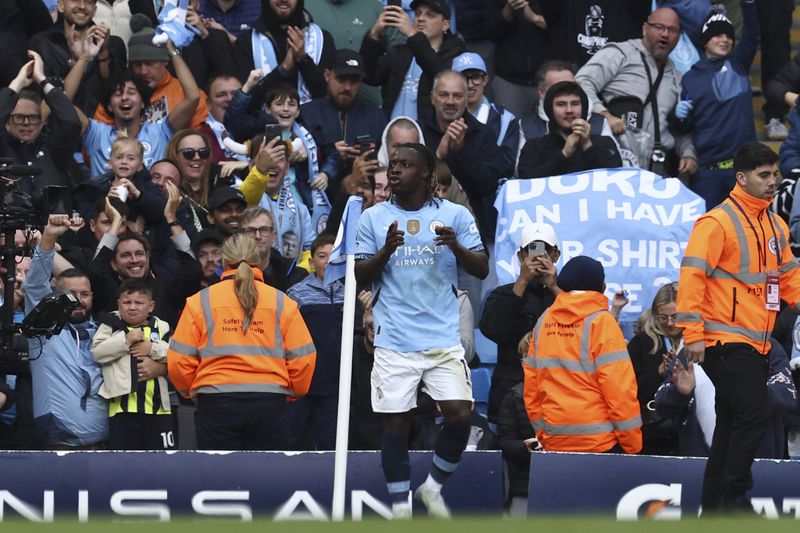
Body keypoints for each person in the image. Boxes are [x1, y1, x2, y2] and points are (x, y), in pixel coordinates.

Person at [355, 142, 488, 518]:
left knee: (460, 415)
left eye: (405, 164)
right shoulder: (374, 218)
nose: (394, 170)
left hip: (442, 337)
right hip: (395, 340)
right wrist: (386, 250)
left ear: (426, 174)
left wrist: (455, 245)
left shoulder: (454, 215)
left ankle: (431, 489)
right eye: (392, 163)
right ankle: (400, 508)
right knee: (397, 423)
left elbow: (480, 268)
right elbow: (359, 274)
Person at [676, 142, 800, 512]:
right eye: (764, 175)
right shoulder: (717, 223)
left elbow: (789, 276)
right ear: (741, 178)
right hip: (721, 340)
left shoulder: (775, 224)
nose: (772, 181)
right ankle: (735, 497)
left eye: (775, 174)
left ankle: (713, 508)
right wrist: (692, 335)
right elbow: (692, 277)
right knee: (755, 411)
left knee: (732, 421)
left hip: (754, 343)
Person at [167, 232, 317, 450]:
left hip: (215, 402)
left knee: (220, 481)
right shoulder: (282, 302)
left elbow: (179, 360)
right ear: (258, 260)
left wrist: (194, 392)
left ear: (223, 261)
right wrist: (289, 393)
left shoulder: (200, 301)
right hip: (269, 404)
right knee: (264, 481)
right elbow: (304, 359)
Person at [523, 255, 642, 454]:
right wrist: (632, 445)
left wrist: (543, 433)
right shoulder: (602, 322)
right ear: (602, 288)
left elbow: (532, 387)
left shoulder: (544, 320)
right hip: (601, 444)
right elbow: (619, 390)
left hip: (554, 441)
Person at [576, 7, 697, 177]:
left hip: (660, 167)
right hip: (618, 159)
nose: (665, 34)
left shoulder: (677, 78)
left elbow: (678, 128)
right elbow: (580, 83)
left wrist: (688, 153)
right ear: (645, 28)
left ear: (678, 37)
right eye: (658, 27)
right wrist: (605, 115)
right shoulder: (620, 53)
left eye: (672, 30)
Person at [25, 214, 109, 449]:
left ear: (92, 296)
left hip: (108, 444)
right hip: (62, 442)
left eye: (84, 294)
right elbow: (35, 285)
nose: (78, 301)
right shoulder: (44, 330)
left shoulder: (104, 332)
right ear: (56, 295)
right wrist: (49, 237)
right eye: (71, 295)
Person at [670, 3, 759, 211]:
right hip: (706, 173)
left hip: (742, 170)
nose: (725, 40)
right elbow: (685, 129)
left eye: (728, 36)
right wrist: (680, 118)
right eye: (718, 35)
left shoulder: (739, 64)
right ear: (705, 41)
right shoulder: (690, 78)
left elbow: (753, 33)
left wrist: (749, 5)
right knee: (710, 236)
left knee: (746, 235)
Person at [73, 37, 200, 175]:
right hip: (104, 196)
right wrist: (84, 58)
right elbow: (62, 102)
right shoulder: (96, 134)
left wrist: (172, 52)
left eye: (131, 92)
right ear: (109, 106)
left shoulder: (160, 133)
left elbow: (193, 96)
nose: (125, 97)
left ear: (143, 103)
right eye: (117, 94)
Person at [655, 340, 796, 460]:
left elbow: (787, 395)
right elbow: (661, 404)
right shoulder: (693, 349)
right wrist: (679, 393)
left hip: (757, 465)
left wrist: (756, 392)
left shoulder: (767, 346)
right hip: (698, 467)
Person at [479, 222, 558, 424]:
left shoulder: (567, 295)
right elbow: (494, 331)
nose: (538, 256)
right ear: (521, 256)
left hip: (556, 390)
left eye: (545, 250)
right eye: (531, 250)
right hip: (510, 393)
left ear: (555, 255)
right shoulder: (502, 294)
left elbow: (581, 326)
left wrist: (554, 287)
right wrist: (522, 282)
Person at [420, 69, 512, 242]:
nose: (450, 101)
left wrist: (461, 150)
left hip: (470, 230)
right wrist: (439, 155)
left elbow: (487, 186)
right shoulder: (419, 130)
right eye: (444, 95)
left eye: (457, 96)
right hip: (421, 228)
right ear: (432, 98)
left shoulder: (482, 133)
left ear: (466, 99)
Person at [91, 278, 175, 450]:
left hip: (159, 409)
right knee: (125, 463)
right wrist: (125, 340)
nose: (132, 307)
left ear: (150, 306)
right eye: (127, 302)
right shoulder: (111, 324)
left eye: (139, 302)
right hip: (121, 410)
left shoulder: (162, 327)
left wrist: (152, 348)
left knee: (161, 462)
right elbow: (97, 353)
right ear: (119, 304)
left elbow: (177, 356)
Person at [300, 49, 387, 195]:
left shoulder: (376, 116)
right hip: (317, 200)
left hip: (363, 199)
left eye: (354, 81)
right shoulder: (307, 113)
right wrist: (329, 153)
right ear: (327, 75)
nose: (347, 87)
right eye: (341, 79)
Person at [360, 0, 465, 120]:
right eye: (417, 14)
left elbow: (438, 75)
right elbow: (370, 76)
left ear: (445, 25)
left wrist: (412, 35)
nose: (421, 19)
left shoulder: (455, 55)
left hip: (428, 136)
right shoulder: (400, 52)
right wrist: (374, 34)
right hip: (392, 133)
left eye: (430, 15)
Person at [286, 234, 343, 450]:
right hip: (301, 383)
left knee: (330, 443)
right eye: (322, 256)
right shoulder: (296, 294)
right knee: (292, 440)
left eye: (333, 256)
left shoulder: (350, 292)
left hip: (335, 385)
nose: (328, 262)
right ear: (311, 262)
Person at [1, 50, 82, 195]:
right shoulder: (2, 149)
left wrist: (42, 80)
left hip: (52, 216)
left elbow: (71, 122)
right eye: (19, 117)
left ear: (41, 123)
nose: (26, 123)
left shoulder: (53, 149)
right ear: (7, 123)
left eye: (33, 118)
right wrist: (17, 83)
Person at [226, 0, 336, 104]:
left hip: (312, 122)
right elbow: (246, 103)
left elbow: (327, 96)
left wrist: (303, 60)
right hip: (263, 122)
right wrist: (283, 69)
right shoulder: (246, 42)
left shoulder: (322, 39)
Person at [30, 0, 126, 116]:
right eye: (75, 0)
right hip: (57, 128)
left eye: (89, 2)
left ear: (94, 10)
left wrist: (103, 53)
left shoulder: (113, 44)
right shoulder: (42, 44)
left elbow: (117, 94)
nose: (82, 6)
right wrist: (76, 62)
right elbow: (44, 99)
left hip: (104, 127)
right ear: (60, 6)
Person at [516, 60, 614, 173]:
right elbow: (525, 180)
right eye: (561, 104)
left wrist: (587, 146)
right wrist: (565, 154)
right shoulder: (533, 146)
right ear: (549, 105)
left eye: (575, 103)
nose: (569, 110)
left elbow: (616, 176)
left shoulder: (605, 141)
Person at [627, 281, 681, 456]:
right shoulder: (642, 343)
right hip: (655, 433)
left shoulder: (698, 342)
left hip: (690, 433)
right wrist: (658, 373)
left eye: (676, 316)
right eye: (663, 317)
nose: (670, 323)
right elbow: (628, 390)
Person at [450, 51, 519, 174]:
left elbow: (506, 167)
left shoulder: (506, 120)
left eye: (476, 77)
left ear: (485, 80)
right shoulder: (442, 116)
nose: (470, 85)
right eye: (463, 78)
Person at [485, 0, 548, 118]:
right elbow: (490, 33)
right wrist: (507, 11)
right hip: (509, 81)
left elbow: (564, 28)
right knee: (507, 131)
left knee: (549, 132)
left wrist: (535, 18)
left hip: (547, 80)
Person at [238, 206, 308, 291]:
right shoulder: (227, 273)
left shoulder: (295, 276)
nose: (258, 236)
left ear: (274, 236)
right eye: (250, 230)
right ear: (240, 236)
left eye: (264, 230)